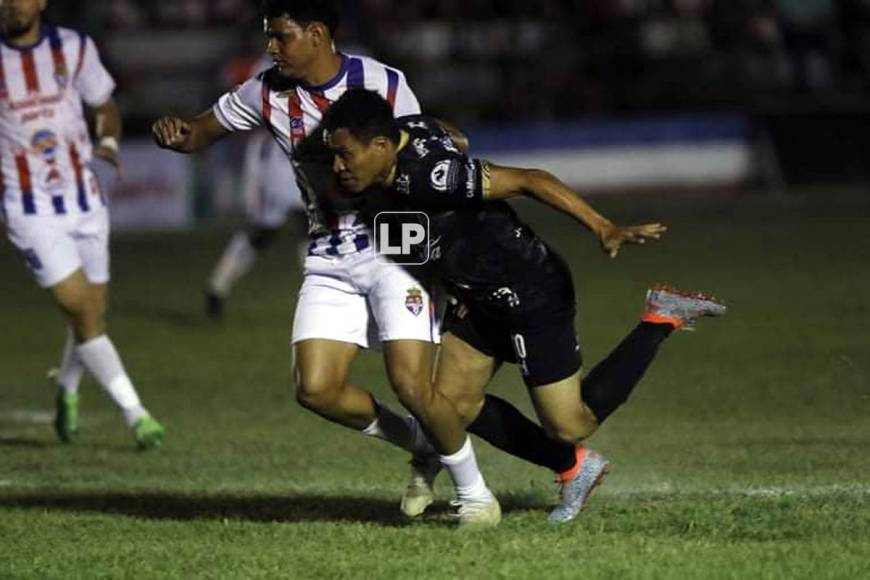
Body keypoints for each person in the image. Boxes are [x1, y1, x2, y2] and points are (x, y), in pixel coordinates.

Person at [153, 0, 502, 527]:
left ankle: (476, 496)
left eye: (280, 37)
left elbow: (416, 142)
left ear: (316, 34)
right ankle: (419, 442)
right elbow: (202, 129)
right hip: (328, 254)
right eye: (268, 37)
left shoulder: (381, 80)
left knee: (411, 384)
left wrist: (446, 149)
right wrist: (179, 134)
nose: (270, 48)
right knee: (316, 389)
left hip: (394, 247)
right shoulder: (265, 91)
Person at [306, 88, 728, 521]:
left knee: (569, 425)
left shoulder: (433, 176)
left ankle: (660, 318)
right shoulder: (407, 137)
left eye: (345, 154)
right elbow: (452, 134)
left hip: (531, 292)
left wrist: (603, 227)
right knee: (450, 407)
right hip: (480, 301)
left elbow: (530, 179)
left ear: (380, 145)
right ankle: (574, 468)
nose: (339, 166)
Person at [0, 0, 164, 449]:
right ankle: (137, 414)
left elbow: (104, 104)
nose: (10, 5)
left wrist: (107, 140)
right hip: (28, 209)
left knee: (93, 310)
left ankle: (67, 391)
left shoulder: (72, 47)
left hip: (85, 199)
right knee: (82, 308)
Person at [204, 54, 308, 321]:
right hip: (281, 162)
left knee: (285, 232)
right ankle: (218, 286)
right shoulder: (277, 67)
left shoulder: (283, 64)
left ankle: (218, 286)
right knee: (295, 231)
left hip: (290, 160)